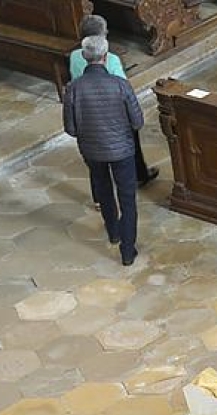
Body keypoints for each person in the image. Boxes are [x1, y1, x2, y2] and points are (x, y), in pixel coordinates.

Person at [63, 35, 144, 268]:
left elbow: (70, 128)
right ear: (106, 57)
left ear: (85, 57)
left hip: (92, 151)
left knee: (104, 192)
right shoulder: (120, 85)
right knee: (127, 200)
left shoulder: (74, 88)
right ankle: (127, 251)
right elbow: (137, 121)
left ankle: (113, 233)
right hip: (122, 151)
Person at [68, 15, 158, 189]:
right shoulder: (111, 59)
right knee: (131, 146)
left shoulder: (74, 56)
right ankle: (139, 176)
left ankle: (100, 196)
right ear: (102, 36)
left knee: (95, 158)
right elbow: (122, 86)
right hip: (115, 111)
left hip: (88, 110)